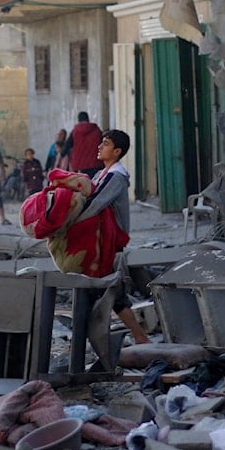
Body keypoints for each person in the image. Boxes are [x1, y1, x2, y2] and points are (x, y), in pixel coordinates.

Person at [75, 130, 151, 345]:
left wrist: (69, 221)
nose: (99, 146)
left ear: (117, 151)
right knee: (98, 291)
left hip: (108, 244)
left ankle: (139, 336)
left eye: (105, 144)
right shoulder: (102, 174)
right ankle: (130, 337)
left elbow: (95, 204)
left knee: (112, 293)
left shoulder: (115, 177)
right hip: (97, 242)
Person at [63, 111, 104, 178]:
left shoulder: (75, 131)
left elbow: (67, 146)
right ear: (88, 119)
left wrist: (60, 157)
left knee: (84, 185)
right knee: (97, 184)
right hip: (96, 163)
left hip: (80, 165)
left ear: (79, 120)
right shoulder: (97, 130)